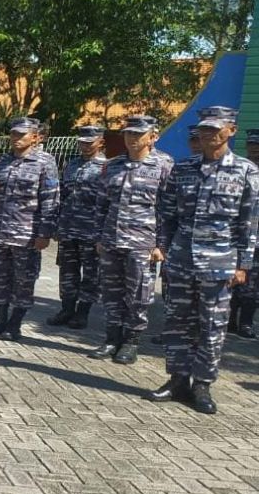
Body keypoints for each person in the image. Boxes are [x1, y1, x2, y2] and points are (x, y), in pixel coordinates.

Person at [151, 106, 259, 414]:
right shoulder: (183, 168)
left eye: (215, 128)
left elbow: (249, 222)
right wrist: (164, 247)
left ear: (231, 131)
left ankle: (202, 385)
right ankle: (177, 379)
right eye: (204, 129)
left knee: (212, 325)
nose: (207, 133)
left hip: (220, 262)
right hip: (182, 259)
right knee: (177, 322)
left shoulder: (246, 171)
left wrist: (243, 265)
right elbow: (167, 214)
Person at [88, 116, 171, 364]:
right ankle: (112, 338)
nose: (132, 138)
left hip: (143, 243)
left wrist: (161, 245)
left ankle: (131, 341)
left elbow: (168, 209)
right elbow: (101, 205)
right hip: (112, 240)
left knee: (138, 294)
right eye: (128, 134)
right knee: (111, 292)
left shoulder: (164, 165)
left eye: (138, 134)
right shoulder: (113, 165)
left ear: (153, 137)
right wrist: (98, 237)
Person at [0, 117, 60, 341]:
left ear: (34, 137)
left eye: (21, 135)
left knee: (23, 281)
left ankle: (15, 324)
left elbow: (50, 200)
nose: (16, 139)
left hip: (27, 235)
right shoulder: (1, 162)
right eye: (14, 134)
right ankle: (0, 319)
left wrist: (45, 233)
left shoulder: (45, 162)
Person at [46, 126, 107, 329]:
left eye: (90, 143)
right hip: (68, 229)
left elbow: (107, 203)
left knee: (91, 274)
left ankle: (83, 313)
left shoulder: (106, 168)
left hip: (90, 231)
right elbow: (60, 195)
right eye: (82, 142)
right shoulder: (72, 165)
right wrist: (56, 224)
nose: (85, 146)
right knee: (67, 272)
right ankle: (67, 309)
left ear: (100, 142)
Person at [229, 128, 259, 341]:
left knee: (254, 283)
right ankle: (229, 321)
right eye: (251, 145)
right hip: (240, 236)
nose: (254, 150)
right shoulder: (239, 169)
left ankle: (246, 322)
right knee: (233, 279)